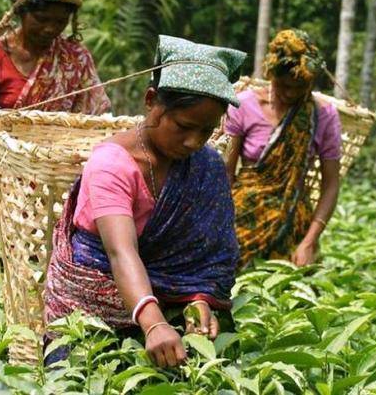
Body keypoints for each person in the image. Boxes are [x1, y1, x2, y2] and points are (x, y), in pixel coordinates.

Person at [44, 35, 246, 368]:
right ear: (151, 100)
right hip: (97, 303)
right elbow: (120, 252)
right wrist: (154, 324)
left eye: (207, 130)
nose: (194, 141)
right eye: (183, 126)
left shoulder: (206, 165)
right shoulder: (112, 164)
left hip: (169, 300)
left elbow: (210, 256)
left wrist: (200, 301)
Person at [0, 0, 111, 260]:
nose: (50, 29)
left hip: (57, 193)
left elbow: (96, 128)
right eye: (41, 19)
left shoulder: (75, 60)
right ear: (20, 10)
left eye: (60, 21)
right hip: (0, 196)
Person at [224, 29, 341, 267]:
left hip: (294, 221)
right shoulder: (244, 104)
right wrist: (222, 223)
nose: (291, 94)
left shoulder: (323, 115)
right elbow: (227, 172)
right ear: (272, 75)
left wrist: (309, 242)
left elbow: (331, 184)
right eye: (284, 85)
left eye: (300, 87)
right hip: (244, 215)